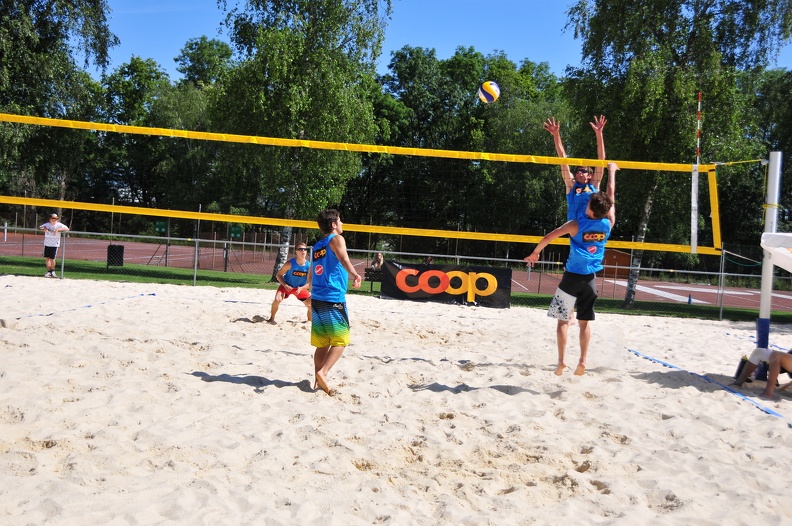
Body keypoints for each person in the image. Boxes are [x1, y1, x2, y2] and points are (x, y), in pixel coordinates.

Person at [524, 162, 618, 376]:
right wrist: (611, 171)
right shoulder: (608, 224)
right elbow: (611, 194)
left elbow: (548, 237)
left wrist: (535, 253)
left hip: (570, 279)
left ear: (590, 208)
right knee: (585, 324)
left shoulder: (575, 224)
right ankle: (583, 361)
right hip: (590, 281)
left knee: (562, 323)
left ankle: (562, 362)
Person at [307, 209, 362, 395]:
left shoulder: (317, 245)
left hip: (317, 297)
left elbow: (313, 270)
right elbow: (344, 258)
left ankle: (317, 378)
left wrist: (309, 287)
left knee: (322, 343)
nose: (342, 223)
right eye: (340, 220)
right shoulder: (336, 239)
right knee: (341, 340)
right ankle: (324, 372)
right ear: (333, 224)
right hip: (332, 297)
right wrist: (355, 274)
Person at [543, 115, 607, 221]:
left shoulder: (594, 184)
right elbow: (562, 158)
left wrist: (599, 134)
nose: (579, 173)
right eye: (577, 171)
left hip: (590, 225)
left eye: (582, 171)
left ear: (590, 175)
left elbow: (601, 159)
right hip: (575, 226)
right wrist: (556, 134)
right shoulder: (572, 185)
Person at [267, 243, 312, 325]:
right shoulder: (290, 263)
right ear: (296, 251)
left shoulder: (309, 266)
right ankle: (271, 318)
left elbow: (310, 283)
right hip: (287, 286)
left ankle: (309, 322)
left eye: (305, 249)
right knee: (277, 300)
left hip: (299, 289)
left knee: (311, 305)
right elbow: (278, 275)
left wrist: (301, 288)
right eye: (300, 249)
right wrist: (285, 285)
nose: (303, 251)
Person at [39, 213, 69, 278]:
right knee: (47, 258)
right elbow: (40, 227)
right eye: (53, 218)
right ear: (50, 219)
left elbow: (67, 228)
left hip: (54, 244)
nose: (54, 220)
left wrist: (58, 230)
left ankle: (53, 271)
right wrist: (44, 228)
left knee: (52, 258)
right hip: (47, 244)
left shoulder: (59, 225)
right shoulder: (47, 224)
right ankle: (49, 271)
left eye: (56, 219)